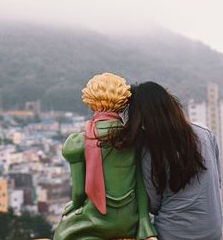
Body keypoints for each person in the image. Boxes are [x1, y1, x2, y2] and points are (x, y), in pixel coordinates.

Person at [107, 81, 223, 240]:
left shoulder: (149, 150)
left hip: (172, 233)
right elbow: (217, 181)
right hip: (213, 232)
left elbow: (153, 204)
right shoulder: (204, 133)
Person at [53, 73, 158, 240]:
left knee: (63, 233)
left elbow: (79, 193)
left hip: (97, 219)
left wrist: (74, 205)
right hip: (129, 220)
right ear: (122, 101)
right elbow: (140, 186)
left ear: (90, 100)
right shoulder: (134, 139)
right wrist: (144, 222)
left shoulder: (78, 142)